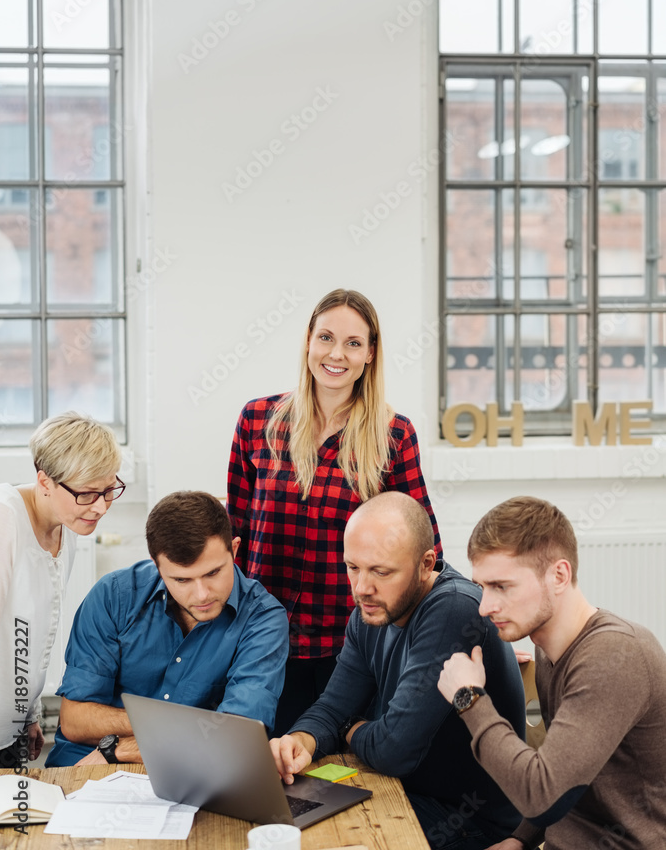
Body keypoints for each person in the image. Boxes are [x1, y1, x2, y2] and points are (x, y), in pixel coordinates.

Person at [227, 288, 441, 733]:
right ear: (308, 340)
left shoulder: (393, 435)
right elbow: (234, 533)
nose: (336, 354)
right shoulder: (257, 421)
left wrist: (474, 621)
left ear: (370, 353)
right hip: (263, 645)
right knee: (263, 772)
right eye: (325, 337)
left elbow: (425, 546)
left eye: (353, 343)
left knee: (342, 779)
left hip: (353, 649)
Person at [270, 492, 524, 850]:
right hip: (400, 789)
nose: (361, 588)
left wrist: (349, 726)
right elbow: (332, 707)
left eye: (381, 571)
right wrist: (301, 741)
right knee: (273, 824)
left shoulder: (453, 610)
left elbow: (393, 750)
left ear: (425, 564)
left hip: (469, 821)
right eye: (353, 567)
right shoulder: (373, 609)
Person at [438, 495, 666, 850]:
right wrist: (520, 839)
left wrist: (469, 698)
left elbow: (541, 794)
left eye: (501, 586)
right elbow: (565, 774)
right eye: (482, 587)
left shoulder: (615, 656)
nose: (484, 607)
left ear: (559, 575)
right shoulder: (548, 650)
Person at [45, 490, 289, 766]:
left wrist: (119, 749)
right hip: (84, 763)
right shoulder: (113, 596)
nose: (202, 595)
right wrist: (185, 728)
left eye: (213, 573)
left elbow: (239, 734)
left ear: (234, 549)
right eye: (182, 580)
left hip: (174, 766)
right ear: (157, 566)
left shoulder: (263, 619)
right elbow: (75, 721)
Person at [0, 412, 123, 769]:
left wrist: (28, 712)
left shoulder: (64, 526)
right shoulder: (7, 522)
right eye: (86, 494)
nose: (100, 506)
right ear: (45, 481)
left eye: (109, 490)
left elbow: (31, 635)